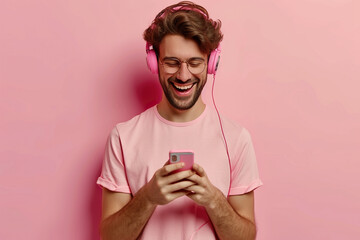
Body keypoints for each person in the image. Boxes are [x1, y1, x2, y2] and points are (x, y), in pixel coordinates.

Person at [96, 1, 262, 239]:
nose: (183, 75)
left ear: (212, 64)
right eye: (172, 63)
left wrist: (213, 199)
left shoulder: (237, 138)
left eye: (195, 63)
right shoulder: (123, 137)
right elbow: (110, 237)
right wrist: (149, 196)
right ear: (154, 63)